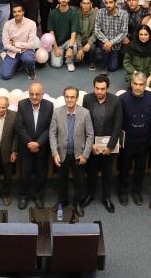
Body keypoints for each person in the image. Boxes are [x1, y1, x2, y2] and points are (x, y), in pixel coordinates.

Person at [50, 86, 94, 217]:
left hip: (79, 155)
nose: (69, 99)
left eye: (72, 97)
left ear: (77, 98)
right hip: (61, 155)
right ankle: (62, 201)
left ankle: (77, 203)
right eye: (67, 97)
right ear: (64, 97)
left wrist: (85, 155)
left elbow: (90, 135)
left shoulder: (85, 113)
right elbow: (52, 134)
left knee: (79, 182)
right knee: (61, 181)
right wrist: (55, 153)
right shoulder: (57, 112)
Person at [81, 75, 122, 213]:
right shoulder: (87, 99)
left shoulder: (116, 101)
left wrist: (110, 146)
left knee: (107, 173)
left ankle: (107, 198)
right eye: (97, 88)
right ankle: (90, 195)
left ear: (107, 88)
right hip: (92, 145)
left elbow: (117, 125)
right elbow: (85, 123)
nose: (99, 91)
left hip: (108, 146)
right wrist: (90, 144)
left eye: (102, 89)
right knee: (91, 172)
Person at [118, 72, 151, 206]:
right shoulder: (122, 99)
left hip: (144, 142)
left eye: (141, 84)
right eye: (135, 84)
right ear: (131, 83)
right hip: (127, 142)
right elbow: (119, 121)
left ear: (146, 85)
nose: (138, 87)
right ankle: (122, 191)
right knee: (124, 168)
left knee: (140, 169)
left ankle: (136, 192)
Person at [15, 82, 54, 209]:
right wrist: (29, 143)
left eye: (37, 94)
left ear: (42, 94)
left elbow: (49, 128)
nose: (34, 97)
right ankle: (23, 196)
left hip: (42, 147)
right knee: (24, 174)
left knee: (41, 173)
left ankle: (38, 196)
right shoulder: (22, 104)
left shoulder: (49, 106)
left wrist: (38, 143)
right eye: (31, 94)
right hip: (25, 147)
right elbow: (19, 127)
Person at [0, 3, 39, 80]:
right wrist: (19, 49)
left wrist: (15, 43)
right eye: (14, 12)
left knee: (28, 59)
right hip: (13, 51)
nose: (17, 13)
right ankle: (19, 63)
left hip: (27, 51)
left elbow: (30, 44)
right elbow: (6, 45)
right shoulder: (7, 24)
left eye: (19, 11)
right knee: (5, 75)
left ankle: (31, 70)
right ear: (12, 13)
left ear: (23, 12)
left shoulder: (32, 24)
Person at [94, 0, 128, 72]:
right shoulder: (100, 12)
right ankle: (104, 67)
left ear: (115, 3)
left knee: (113, 67)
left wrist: (111, 42)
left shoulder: (123, 14)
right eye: (106, 3)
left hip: (116, 43)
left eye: (110, 2)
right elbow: (97, 30)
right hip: (104, 40)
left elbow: (124, 32)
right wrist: (107, 42)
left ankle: (112, 58)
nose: (108, 5)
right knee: (105, 48)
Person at [48, 0, 80, 71]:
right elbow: (51, 32)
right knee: (56, 65)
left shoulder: (74, 13)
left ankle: (69, 61)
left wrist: (70, 48)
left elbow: (74, 33)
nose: (63, 0)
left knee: (74, 46)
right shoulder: (53, 13)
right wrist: (55, 48)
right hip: (57, 43)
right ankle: (62, 55)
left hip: (68, 41)